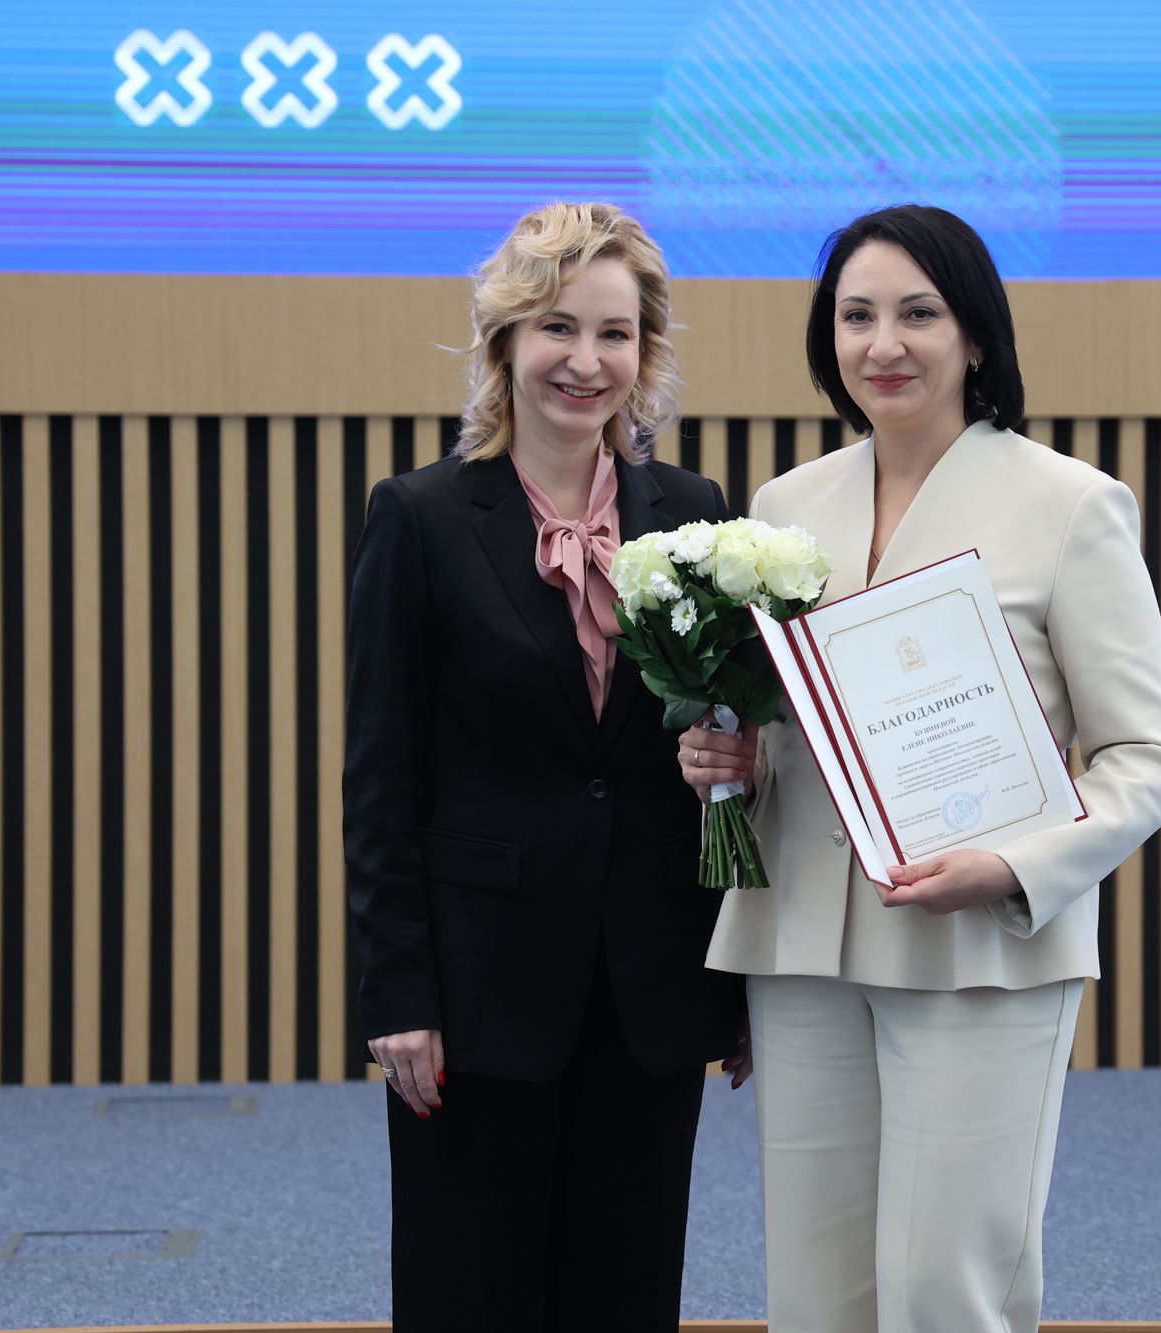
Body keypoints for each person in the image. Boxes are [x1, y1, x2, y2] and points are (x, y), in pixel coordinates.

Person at [681, 204, 1161, 1333]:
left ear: (974, 335)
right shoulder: (783, 508)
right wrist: (731, 763)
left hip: (981, 949)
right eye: (855, 316)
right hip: (804, 948)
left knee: (943, 1294)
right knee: (815, 1298)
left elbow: (1149, 758)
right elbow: (788, 737)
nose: (884, 344)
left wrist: (1013, 869)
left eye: (918, 313)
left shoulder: (1071, 504)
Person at [344, 201, 745, 1332]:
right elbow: (381, 781)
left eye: (614, 333)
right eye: (557, 328)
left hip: (650, 992)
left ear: (644, 351)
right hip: (477, 997)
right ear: (505, 341)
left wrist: (735, 980)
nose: (585, 361)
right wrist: (398, 995)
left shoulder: (696, 518)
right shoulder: (419, 517)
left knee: (627, 1296)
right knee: (467, 1296)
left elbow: (722, 758)